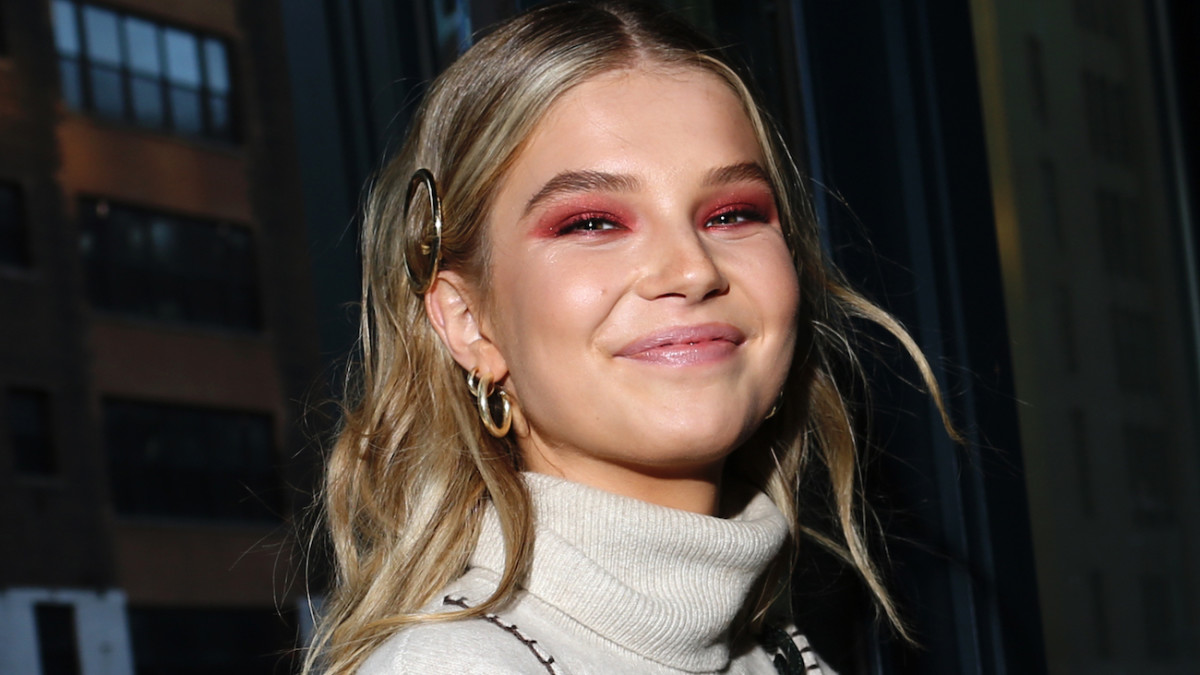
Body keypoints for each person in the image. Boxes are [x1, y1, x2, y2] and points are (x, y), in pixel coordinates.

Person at [306, 1, 953, 673]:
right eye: (591, 223)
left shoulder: (778, 650)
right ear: (469, 321)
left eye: (733, 213)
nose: (693, 269)